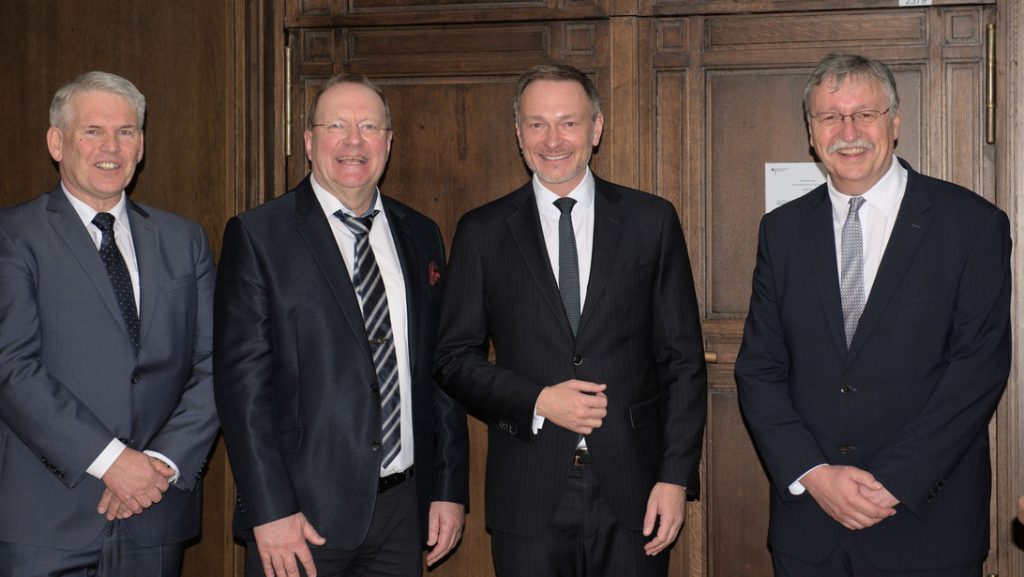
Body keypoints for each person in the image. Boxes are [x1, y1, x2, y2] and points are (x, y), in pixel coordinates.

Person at [735, 53, 1011, 577]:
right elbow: (759, 369)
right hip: (810, 527)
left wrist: (893, 483)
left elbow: (977, 372)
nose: (849, 132)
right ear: (811, 132)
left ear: (895, 121)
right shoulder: (782, 231)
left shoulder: (972, 225)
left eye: (865, 113)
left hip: (927, 525)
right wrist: (814, 474)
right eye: (830, 117)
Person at [435, 63, 707, 577]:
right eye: (537, 124)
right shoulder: (482, 232)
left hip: (636, 490)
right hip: (527, 491)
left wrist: (675, 478)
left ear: (596, 128)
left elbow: (683, 362)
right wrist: (538, 400)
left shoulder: (651, 222)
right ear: (519, 134)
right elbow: (452, 360)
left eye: (569, 122)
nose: (553, 140)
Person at [214, 73, 469, 577]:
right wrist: (270, 509)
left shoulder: (421, 233)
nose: (354, 141)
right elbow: (242, 389)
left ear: (388, 143)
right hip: (300, 518)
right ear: (309, 142)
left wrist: (447, 489)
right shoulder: (259, 236)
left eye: (369, 127)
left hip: (403, 513)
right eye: (336, 126)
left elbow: (440, 372)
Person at [0, 71, 219, 576]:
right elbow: (12, 368)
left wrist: (160, 465)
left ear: (141, 145)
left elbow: (214, 364)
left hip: (154, 511)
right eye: (92, 131)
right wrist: (112, 461)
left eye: (126, 131)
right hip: (45, 520)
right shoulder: (13, 236)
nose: (111, 147)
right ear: (57, 143)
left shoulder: (185, 240)